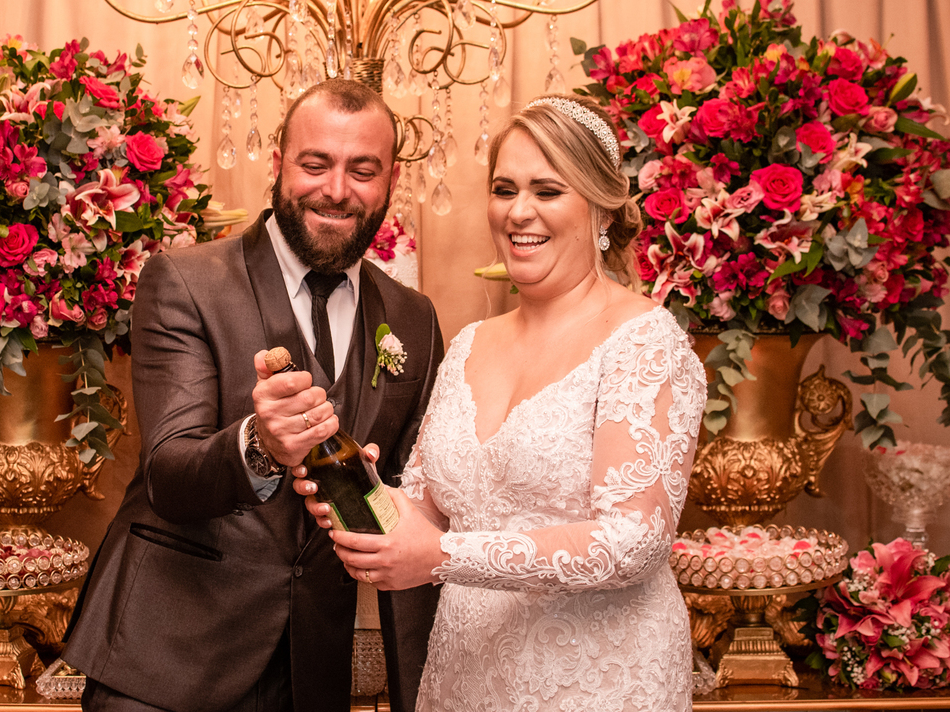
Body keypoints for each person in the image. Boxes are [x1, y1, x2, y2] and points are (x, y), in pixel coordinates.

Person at [299, 94, 707, 711]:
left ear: (600, 205)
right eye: (504, 189)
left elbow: (633, 542)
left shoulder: (644, 341)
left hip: (596, 680)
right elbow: (427, 512)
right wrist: (357, 490)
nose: (518, 212)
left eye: (548, 191)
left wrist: (442, 556)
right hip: (467, 673)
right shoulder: (470, 344)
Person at [62, 78, 444, 712]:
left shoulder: (413, 318)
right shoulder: (185, 281)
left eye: (362, 170)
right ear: (278, 164)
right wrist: (260, 445)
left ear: (392, 180)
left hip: (312, 672)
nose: (337, 190)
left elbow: (413, 511)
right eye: (315, 164)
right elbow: (167, 475)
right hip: (166, 662)